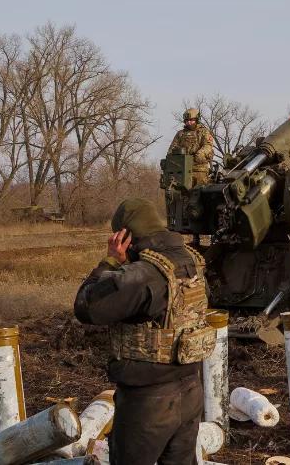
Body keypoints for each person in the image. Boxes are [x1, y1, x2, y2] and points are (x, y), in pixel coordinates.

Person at [74, 198, 216, 465]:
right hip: (190, 390)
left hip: (149, 402)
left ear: (125, 235)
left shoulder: (143, 274)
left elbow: (87, 307)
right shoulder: (191, 261)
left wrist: (110, 261)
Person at [167, 108, 215, 187]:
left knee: (200, 193)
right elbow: (172, 149)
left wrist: (198, 156)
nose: (189, 122)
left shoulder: (204, 132)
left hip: (199, 169)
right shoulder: (180, 134)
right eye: (187, 120)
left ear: (196, 120)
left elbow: (208, 146)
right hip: (182, 170)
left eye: (191, 120)